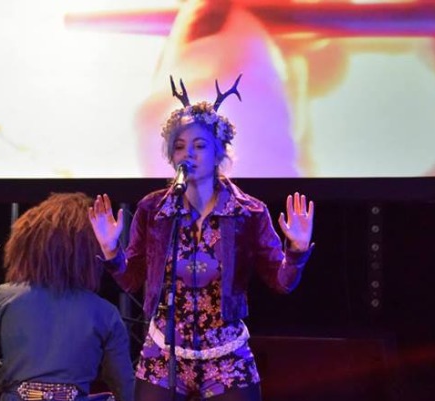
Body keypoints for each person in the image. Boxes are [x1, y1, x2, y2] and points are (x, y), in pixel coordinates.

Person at [89, 77, 314, 401]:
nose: (188, 154)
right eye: (180, 146)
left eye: (199, 145)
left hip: (226, 355)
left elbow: (282, 283)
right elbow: (131, 279)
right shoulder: (154, 210)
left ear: (218, 151)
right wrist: (111, 249)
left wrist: (297, 250)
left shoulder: (248, 212)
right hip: (164, 355)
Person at [0, 193, 135, 401]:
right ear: (89, 252)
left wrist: (21, 387)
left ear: (27, 243)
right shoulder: (105, 313)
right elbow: (126, 389)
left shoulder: (4, 297)